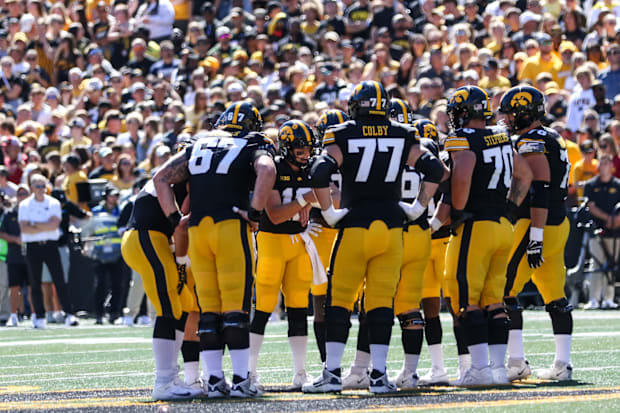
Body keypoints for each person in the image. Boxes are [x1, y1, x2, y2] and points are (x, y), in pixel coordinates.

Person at [303, 81, 447, 394]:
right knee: (381, 303)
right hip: (393, 228)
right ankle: (379, 376)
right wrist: (417, 208)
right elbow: (436, 170)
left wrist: (328, 212)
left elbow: (318, 172)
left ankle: (331, 374)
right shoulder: (402, 133)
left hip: (356, 226)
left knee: (339, 301)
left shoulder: (342, 133)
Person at [153, 101, 276, 398]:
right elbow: (267, 170)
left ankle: (215, 380)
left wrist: (175, 220)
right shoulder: (252, 142)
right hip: (230, 226)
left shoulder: (199, 142)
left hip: (198, 229)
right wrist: (256, 213)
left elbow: (160, 178)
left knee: (208, 308)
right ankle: (242, 380)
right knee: (236, 307)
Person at [444, 86, 532, 386]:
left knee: (465, 298)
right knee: (494, 300)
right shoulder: (502, 136)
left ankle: (480, 369)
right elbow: (524, 174)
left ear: (464, 113)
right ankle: (496, 369)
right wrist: (509, 207)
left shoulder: (463, 138)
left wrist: (456, 211)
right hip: (503, 226)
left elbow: (464, 172)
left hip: (476, 225)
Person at [499, 85, 575, 382]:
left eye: (510, 113)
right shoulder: (551, 135)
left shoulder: (531, 141)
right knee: (555, 295)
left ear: (523, 112)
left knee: (504, 291)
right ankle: (562, 363)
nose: (506, 118)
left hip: (536, 223)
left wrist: (536, 235)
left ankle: (516, 361)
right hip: (557, 223)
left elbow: (540, 189)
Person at [249, 120, 320, 391]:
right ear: (287, 148)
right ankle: (249, 372)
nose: (305, 155)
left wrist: (307, 200)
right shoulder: (274, 169)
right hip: (272, 242)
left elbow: (335, 197)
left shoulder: (312, 168)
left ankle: (300, 373)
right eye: (300, 150)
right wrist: (304, 200)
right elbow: (276, 215)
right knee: (264, 307)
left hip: (299, 242)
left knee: (299, 308)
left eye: (307, 150)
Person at [121, 172, 202, 400]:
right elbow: (183, 221)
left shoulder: (179, 180)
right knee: (168, 307)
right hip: (144, 237)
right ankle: (163, 382)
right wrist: (181, 260)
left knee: (183, 303)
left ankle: (171, 377)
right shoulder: (178, 179)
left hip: (157, 241)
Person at [310, 109, 347, 370]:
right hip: (325, 231)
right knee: (322, 301)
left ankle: (337, 365)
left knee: (333, 301)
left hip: (339, 230)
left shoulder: (326, 158)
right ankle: (329, 363)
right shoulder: (318, 158)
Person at [18, 174, 78, 328]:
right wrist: (44, 224)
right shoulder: (24, 204)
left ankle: (69, 314)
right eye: (38, 186)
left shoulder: (53, 203)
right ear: (32, 188)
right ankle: (39, 316)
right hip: (32, 247)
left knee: (59, 280)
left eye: (43, 186)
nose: (41, 189)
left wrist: (34, 224)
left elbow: (54, 225)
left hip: (51, 245)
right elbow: (24, 228)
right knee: (35, 282)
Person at [583, 154, 620, 310]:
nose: (603, 166)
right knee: (597, 263)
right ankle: (594, 298)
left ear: (611, 166)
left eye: (606, 163)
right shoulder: (591, 185)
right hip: (597, 229)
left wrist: (615, 220)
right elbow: (590, 206)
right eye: (601, 163)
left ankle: (609, 298)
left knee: (612, 263)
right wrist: (608, 218)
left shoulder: (618, 185)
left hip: (616, 230)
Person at [0, 185, 29, 327]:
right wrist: (16, 239)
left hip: (31, 254)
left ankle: (37, 315)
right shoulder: (9, 213)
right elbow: (2, 233)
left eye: (25, 193)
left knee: (32, 286)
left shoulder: (34, 210)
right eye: (20, 194)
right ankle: (13, 315)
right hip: (13, 254)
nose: (22, 196)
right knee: (14, 287)